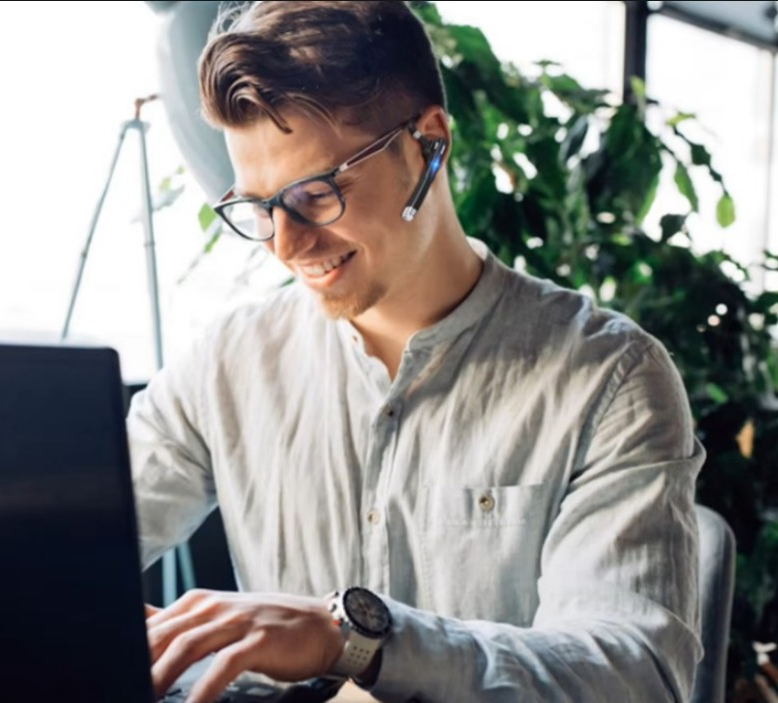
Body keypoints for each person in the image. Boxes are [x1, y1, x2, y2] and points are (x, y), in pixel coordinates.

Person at [128, 2, 705, 702]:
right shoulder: (226, 364)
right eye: (259, 207)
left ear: (429, 142)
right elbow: (67, 543)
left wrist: (351, 637)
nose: (285, 243)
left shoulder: (610, 380)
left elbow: (633, 674)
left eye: (317, 193)